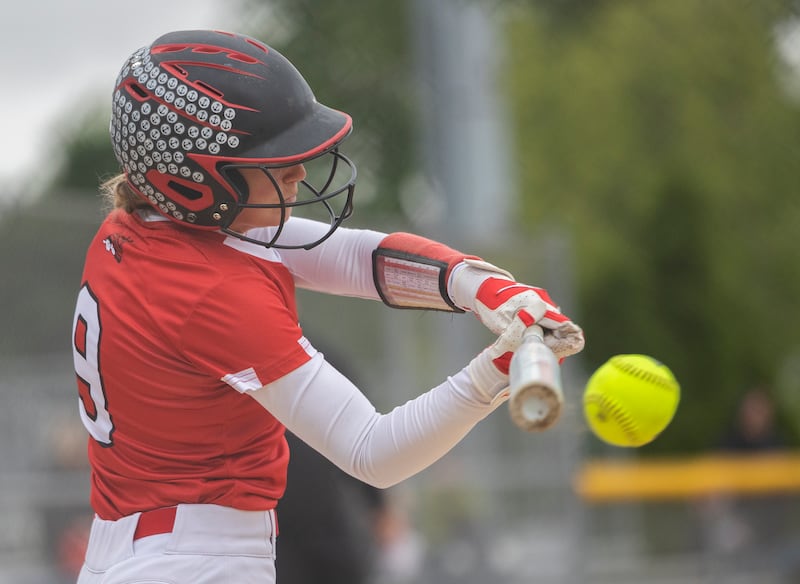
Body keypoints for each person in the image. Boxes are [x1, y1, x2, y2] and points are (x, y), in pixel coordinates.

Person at [70, 29, 584, 584]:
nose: (298, 171)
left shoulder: (143, 225)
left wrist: (482, 286)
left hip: (143, 554)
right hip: (197, 564)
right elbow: (374, 452)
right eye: (270, 158)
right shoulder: (210, 290)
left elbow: (355, 256)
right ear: (191, 184)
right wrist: (497, 369)